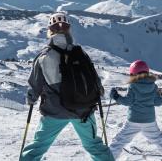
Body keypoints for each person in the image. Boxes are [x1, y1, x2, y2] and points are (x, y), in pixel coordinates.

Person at [21, 12, 114, 161]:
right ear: (68, 30)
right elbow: (94, 78)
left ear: (50, 30)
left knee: (37, 147)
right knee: (93, 145)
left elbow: (35, 86)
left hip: (54, 111)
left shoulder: (43, 57)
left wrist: (31, 99)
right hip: (83, 110)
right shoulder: (80, 52)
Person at [109, 60, 162, 160]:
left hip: (133, 121)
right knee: (159, 139)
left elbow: (128, 101)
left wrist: (116, 96)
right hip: (149, 121)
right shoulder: (153, 86)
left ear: (133, 73)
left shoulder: (133, 86)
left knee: (120, 140)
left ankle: (109, 158)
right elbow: (157, 102)